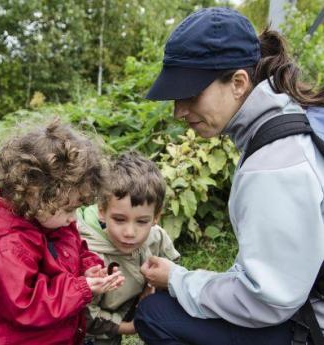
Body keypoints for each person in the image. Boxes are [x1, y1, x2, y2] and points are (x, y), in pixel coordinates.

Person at [134, 6, 324, 345]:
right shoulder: (292, 117)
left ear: (238, 82)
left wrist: (179, 279)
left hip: (309, 324)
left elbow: (268, 299)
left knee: (155, 314)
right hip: (304, 296)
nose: (179, 110)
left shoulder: (274, 165)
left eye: (190, 94)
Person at [0, 120, 124, 345]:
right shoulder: (7, 248)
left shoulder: (50, 218)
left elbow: (73, 249)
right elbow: (25, 305)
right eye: (69, 209)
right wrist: (80, 288)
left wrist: (88, 268)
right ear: (34, 193)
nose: (74, 218)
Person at [77, 151, 180, 345]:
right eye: (119, 219)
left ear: (156, 216)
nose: (130, 232)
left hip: (128, 310)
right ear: (102, 210)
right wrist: (130, 327)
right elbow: (84, 313)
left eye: (142, 221)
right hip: (91, 334)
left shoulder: (156, 237)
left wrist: (155, 286)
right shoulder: (88, 254)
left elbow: (175, 269)